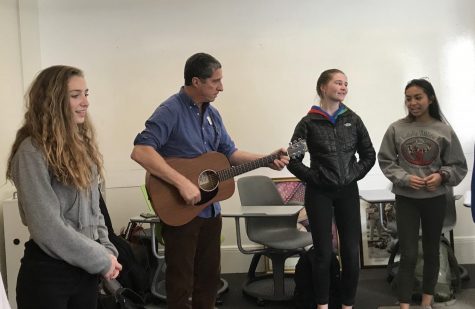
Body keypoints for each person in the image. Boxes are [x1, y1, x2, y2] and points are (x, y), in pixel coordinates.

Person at [131, 52, 289, 309]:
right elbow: (141, 150)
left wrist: (266, 158)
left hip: (210, 209)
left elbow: (230, 153)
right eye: (215, 81)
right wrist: (182, 183)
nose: (221, 87)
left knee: (209, 279)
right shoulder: (170, 110)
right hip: (181, 211)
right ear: (196, 81)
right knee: (180, 281)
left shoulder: (212, 115)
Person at [6, 65, 122, 309]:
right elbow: (47, 227)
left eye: (86, 93)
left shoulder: (81, 147)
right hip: (49, 277)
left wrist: (108, 250)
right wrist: (101, 259)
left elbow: (95, 211)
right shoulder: (31, 152)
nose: (85, 102)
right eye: (75, 95)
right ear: (53, 101)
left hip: (85, 273)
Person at [287, 69, 376, 309]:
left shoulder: (353, 119)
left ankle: (347, 304)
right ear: (323, 88)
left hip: (347, 191)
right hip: (319, 193)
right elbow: (293, 160)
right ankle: (322, 304)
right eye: (338, 82)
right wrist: (314, 178)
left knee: (350, 252)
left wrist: (351, 175)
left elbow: (369, 155)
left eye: (346, 83)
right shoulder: (307, 122)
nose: (344, 87)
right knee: (323, 253)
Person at [378, 78, 467, 309]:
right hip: (407, 200)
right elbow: (386, 160)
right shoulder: (396, 128)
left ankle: (427, 301)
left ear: (431, 99)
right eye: (408, 98)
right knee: (407, 254)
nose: (412, 102)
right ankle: (404, 304)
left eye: (418, 97)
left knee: (431, 251)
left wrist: (442, 176)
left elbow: (458, 165)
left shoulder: (444, 130)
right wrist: (405, 178)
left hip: (436, 200)